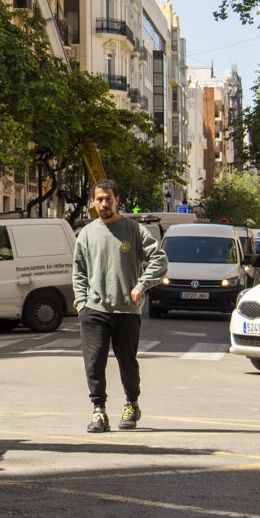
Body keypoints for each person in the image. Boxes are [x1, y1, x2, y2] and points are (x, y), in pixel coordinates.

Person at [73, 179, 168, 433]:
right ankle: (98, 411)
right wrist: (81, 303)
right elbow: (78, 271)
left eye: (109, 199)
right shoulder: (86, 233)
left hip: (126, 308)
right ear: (93, 202)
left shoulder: (133, 230)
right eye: (100, 199)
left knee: (127, 360)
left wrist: (141, 285)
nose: (104, 203)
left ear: (117, 201)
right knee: (94, 362)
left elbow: (159, 259)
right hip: (94, 309)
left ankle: (131, 402)